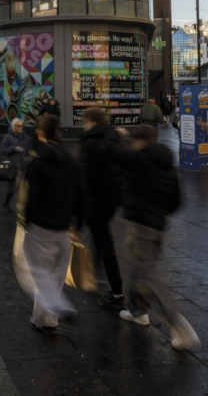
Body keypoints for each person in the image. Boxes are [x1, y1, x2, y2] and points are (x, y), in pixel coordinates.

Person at [110, 124, 200, 350]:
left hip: (143, 226)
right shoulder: (167, 164)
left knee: (150, 276)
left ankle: (181, 327)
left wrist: (115, 134)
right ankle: (137, 311)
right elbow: (177, 201)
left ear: (139, 141)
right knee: (138, 266)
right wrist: (158, 212)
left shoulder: (141, 159)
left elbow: (111, 152)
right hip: (156, 225)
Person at [12, 113, 85, 335]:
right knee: (56, 273)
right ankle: (45, 319)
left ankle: (57, 305)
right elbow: (80, 194)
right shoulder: (70, 159)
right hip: (64, 228)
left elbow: (26, 193)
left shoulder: (34, 159)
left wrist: (24, 219)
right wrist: (77, 225)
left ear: (39, 131)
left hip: (39, 225)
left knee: (32, 270)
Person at [78, 106, 125, 310]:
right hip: (112, 198)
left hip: (97, 199)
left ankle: (117, 292)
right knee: (100, 235)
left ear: (92, 121)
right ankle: (94, 270)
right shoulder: (112, 139)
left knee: (104, 242)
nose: (84, 125)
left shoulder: (90, 142)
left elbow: (87, 177)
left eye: (86, 121)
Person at [0, 118, 31, 211]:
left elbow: (29, 149)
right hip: (13, 167)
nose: (21, 127)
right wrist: (14, 148)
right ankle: (7, 203)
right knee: (13, 188)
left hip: (23, 166)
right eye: (18, 126)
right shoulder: (8, 137)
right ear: (14, 126)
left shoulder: (25, 137)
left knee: (22, 188)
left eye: (22, 125)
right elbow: (3, 150)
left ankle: (10, 203)